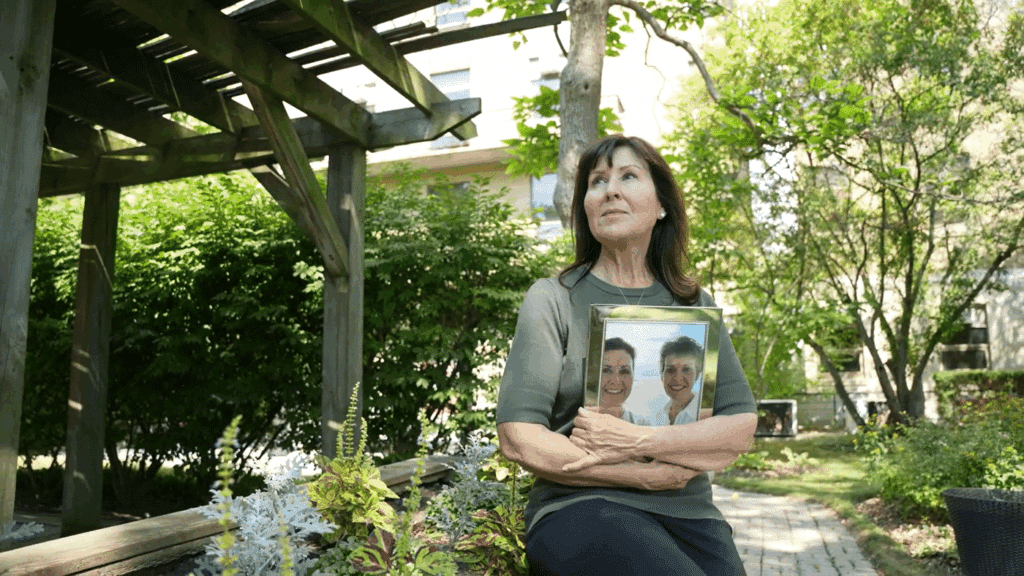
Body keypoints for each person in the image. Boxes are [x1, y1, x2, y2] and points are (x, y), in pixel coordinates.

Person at [496, 134, 757, 576]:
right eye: (597, 181)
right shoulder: (552, 299)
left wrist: (642, 443)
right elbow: (518, 436)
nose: (610, 190)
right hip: (581, 508)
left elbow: (738, 427)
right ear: (586, 207)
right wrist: (640, 475)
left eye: (628, 176)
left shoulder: (693, 304)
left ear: (661, 207)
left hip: (690, 514)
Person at [632, 336, 705, 426]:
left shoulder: (705, 415)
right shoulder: (656, 419)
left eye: (686, 370)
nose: (678, 378)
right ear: (662, 375)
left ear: (697, 374)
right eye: (670, 370)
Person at [598, 337, 637, 419]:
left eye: (624, 371)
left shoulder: (643, 426)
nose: (616, 381)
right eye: (606, 370)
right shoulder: (572, 424)